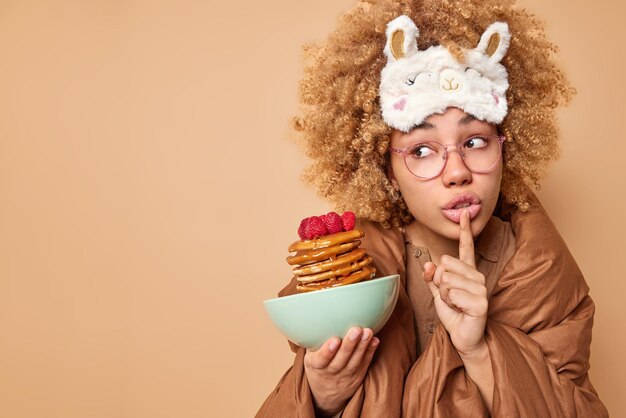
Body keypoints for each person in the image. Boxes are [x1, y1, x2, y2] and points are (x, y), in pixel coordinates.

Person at [257, 0, 608, 416]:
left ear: (505, 146)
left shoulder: (547, 277)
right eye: (422, 150)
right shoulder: (348, 279)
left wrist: (480, 349)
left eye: (475, 141)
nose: (456, 172)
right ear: (384, 168)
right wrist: (321, 395)